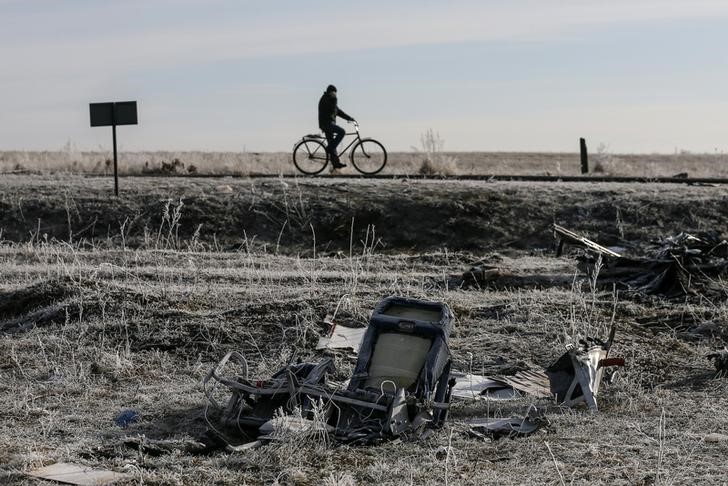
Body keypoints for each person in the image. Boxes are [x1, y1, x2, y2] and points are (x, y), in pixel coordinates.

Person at [318, 84, 355, 169]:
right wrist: (334, 99)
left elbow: (338, 111)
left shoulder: (330, 100)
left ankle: (336, 164)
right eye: (334, 92)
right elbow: (331, 108)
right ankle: (330, 148)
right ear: (330, 92)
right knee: (342, 132)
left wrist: (349, 118)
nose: (335, 94)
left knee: (332, 144)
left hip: (330, 124)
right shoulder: (325, 99)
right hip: (326, 124)